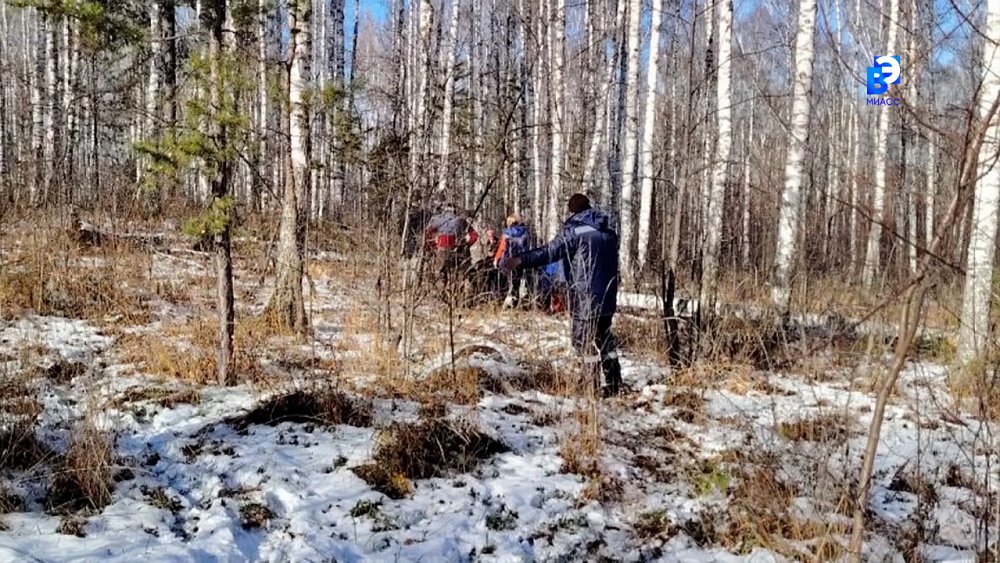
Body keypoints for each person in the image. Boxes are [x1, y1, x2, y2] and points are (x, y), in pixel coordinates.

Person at [499, 193, 622, 397]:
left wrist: (520, 260)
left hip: (585, 296)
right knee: (605, 338)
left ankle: (590, 387)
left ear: (572, 211)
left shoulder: (575, 231)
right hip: (608, 296)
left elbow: (549, 253)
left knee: (582, 340)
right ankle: (615, 382)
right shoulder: (609, 232)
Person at [425, 203, 479, 302]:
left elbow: (427, 234)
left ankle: (442, 296)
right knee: (458, 274)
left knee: (441, 274)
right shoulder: (461, 221)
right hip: (457, 250)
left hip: (442, 251)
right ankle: (458, 296)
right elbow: (474, 235)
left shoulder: (438, 220)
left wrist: (432, 246)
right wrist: (467, 244)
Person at [493, 214, 531, 309]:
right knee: (516, 281)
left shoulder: (507, 233)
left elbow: (502, 248)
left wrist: (496, 259)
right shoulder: (525, 233)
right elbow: (528, 247)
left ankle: (503, 301)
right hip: (520, 260)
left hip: (507, 260)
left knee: (505, 281)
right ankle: (515, 301)